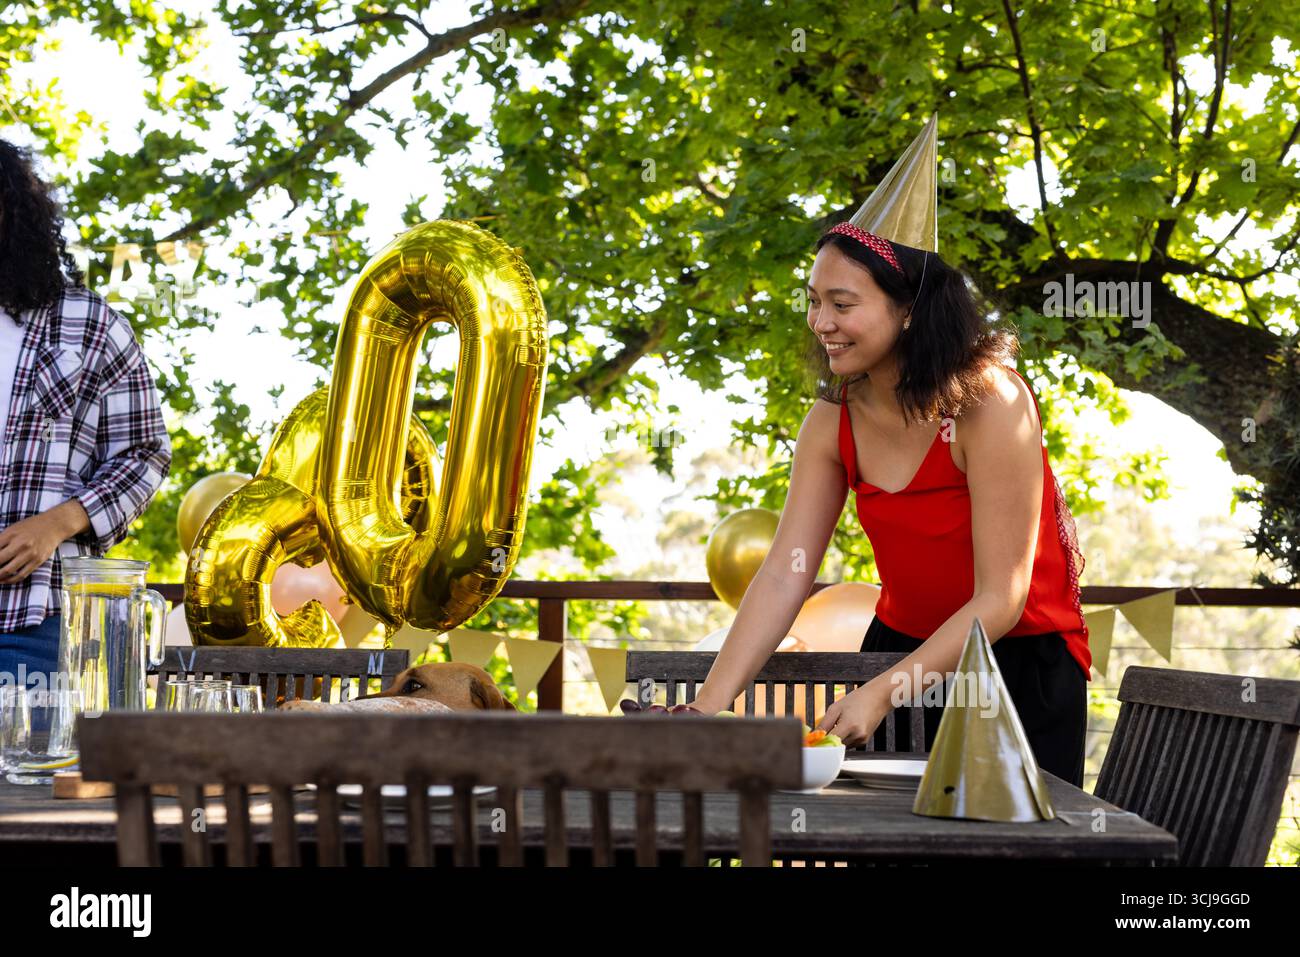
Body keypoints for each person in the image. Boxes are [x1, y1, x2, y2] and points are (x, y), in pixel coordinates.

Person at [685, 119, 1091, 786]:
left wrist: (885, 691)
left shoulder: (991, 404)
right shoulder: (830, 424)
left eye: (842, 303)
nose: (821, 323)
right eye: (814, 302)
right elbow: (787, 572)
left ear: (908, 309)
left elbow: (1002, 598)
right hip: (899, 654)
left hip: (1015, 665)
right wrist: (705, 708)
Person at [0, 138, 171, 689]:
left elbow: (144, 454)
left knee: (23, 773)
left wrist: (57, 524)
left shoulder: (87, 323)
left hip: (30, 615)